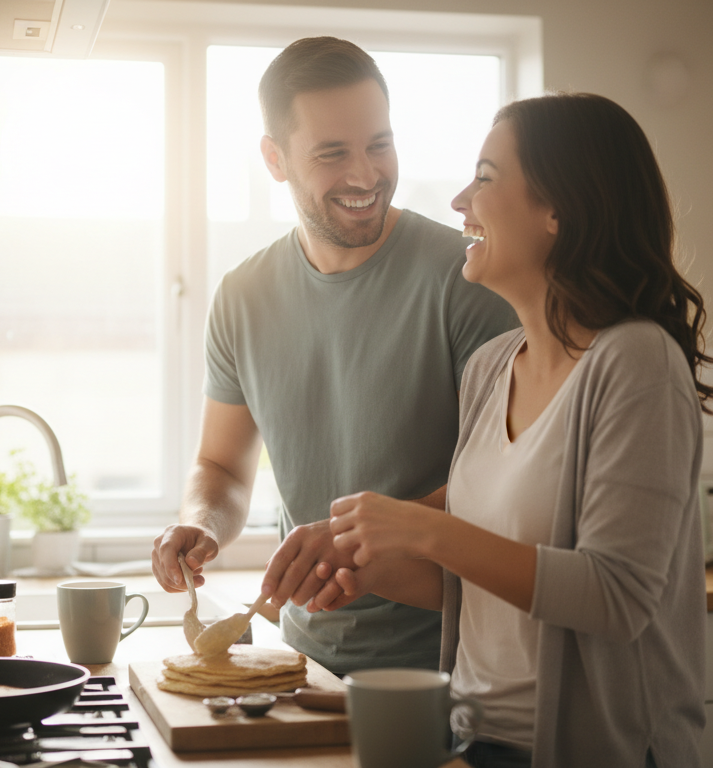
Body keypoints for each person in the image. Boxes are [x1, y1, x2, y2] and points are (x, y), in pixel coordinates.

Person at [318, 93, 713, 768]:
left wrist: (423, 530)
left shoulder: (637, 360)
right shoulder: (489, 367)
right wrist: (366, 566)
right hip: (475, 739)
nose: (459, 201)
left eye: (485, 177)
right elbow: (484, 586)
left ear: (558, 208)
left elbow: (615, 598)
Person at [149, 37, 519, 675]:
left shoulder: (465, 283)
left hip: (448, 664)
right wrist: (202, 524)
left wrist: (353, 538)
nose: (365, 175)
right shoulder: (242, 297)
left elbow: (507, 485)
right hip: (306, 662)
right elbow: (222, 465)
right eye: (332, 153)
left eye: (380, 144)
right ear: (275, 158)